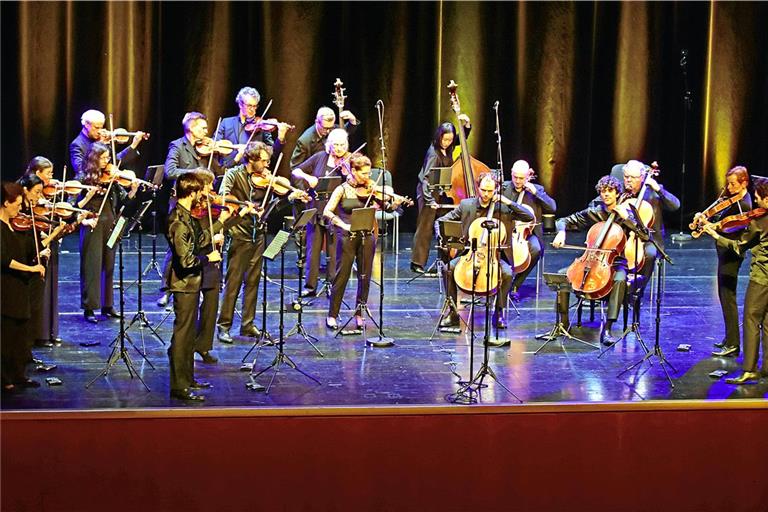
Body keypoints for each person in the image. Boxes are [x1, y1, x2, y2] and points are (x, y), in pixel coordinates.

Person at [216, 142, 305, 343]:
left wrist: (291, 196)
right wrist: (243, 204)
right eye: (263, 161)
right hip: (239, 232)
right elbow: (222, 197)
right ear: (251, 159)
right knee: (233, 283)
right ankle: (224, 326)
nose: (267, 165)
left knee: (253, 281)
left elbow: (275, 203)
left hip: (258, 233)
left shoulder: (267, 179)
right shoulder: (234, 174)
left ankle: (247, 325)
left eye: (267, 161)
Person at [435, 172, 534, 330]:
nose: (486, 194)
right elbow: (441, 221)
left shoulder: (504, 209)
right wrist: (441, 237)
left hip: (495, 256)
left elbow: (529, 217)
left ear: (496, 190)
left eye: (490, 191)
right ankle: (453, 312)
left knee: (507, 273)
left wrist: (508, 202)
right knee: (448, 269)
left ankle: (499, 312)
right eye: (483, 190)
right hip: (471, 254)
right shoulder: (467, 205)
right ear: (478, 188)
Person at [552, 175, 643, 345]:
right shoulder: (595, 212)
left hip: (616, 262)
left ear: (617, 193)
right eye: (603, 191)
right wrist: (561, 232)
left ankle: (607, 328)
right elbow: (563, 220)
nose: (606, 194)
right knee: (561, 276)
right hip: (591, 259)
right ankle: (562, 324)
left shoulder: (626, 212)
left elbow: (644, 234)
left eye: (610, 191)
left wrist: (628, 219)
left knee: (620, 280)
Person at [323, 153, 405, 329]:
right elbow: (327, 212)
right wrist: (342, 224)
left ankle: (360, 313)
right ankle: (332, 314)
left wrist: (395, 203)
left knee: (365, 276)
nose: (368, 177)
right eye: (364, 173)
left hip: (367, 236)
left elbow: (387, 206)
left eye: (369, 173)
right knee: (341, 276)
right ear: (353, 171)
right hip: (346, 237)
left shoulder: (371, 189)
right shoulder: (342, 189)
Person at [166, 173, 228, 401]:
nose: (203, 195)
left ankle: (188, 378)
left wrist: (213, 238)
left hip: (192, 283)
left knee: (189, 333)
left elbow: (198, 239)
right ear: (191, 193)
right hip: (184, 284)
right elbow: (185, 261)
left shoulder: (187, 217)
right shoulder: (178, 222)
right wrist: (208, 258)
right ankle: (178, 385)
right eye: (200, 191)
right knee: (182, 336)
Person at [157, 112, 227, 307]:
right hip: (183, 204)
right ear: (192, 128)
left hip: (203, 205)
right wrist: (195, 174)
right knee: (177, 249)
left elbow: (218, 172)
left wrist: (220, 156)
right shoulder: (178, 146)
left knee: (203, 243)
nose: (207, 132)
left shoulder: (208, 149)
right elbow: (170, 171)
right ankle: (167, 289)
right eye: (203, 128)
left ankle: (202, 285)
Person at [702, 178, 768, 384]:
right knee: (767, 323)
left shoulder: (760, 222)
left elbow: (739, 246)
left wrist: (714, 233)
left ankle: (749, 369)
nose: (756, 204)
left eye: (759, 199)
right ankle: (766, 368)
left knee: (751, 320)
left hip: (762, 278)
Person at [75, 143, 139, 323]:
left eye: (108, 158)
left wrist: (133, 190)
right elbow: (73, 206)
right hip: (92, 224)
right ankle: (89, 307)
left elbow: (125, 200)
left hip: (111, 222)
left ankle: (107, 305)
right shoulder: (83, 178)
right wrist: (88, 199)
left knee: (109, 266)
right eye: (103, 158)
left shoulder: (112, 178)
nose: (107, 162)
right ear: (94, 159)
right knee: (92, 266)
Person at [692, 166, 752, 357]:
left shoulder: (745, 205)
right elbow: (719, 213)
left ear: (744, 183)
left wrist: (710, 227)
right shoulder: (732, 199)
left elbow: (727, 228)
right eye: (728, 183)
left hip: (732, 254)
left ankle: (734, 344)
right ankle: (729, 338)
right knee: (724, 296)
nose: (729, 187)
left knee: (728, 298)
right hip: (725, 252)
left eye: (733, 183)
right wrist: (703, 217)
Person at [291, 128, 352, 297]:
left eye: (342, 145)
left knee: (334, 251)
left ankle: (334, 286)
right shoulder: (319, 157)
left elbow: (356, 181)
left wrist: (348, 174)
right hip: (316, 208)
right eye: (335, 145)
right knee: (313, 250)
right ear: (329, 145)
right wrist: (307, 177)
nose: (339, 148)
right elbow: (296, 170)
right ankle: (310, 286)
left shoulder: (349, 160)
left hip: (335, 211)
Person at [1, 181, 47, 392]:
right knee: (6, 336)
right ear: (4, 203)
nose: (20, 209)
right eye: (17, 205)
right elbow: (5, 260)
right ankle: (4, 378)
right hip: (6, 288)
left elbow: (29, 252)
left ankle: (19, 375)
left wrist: (42, 251)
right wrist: (30, 269)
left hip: (20, 288)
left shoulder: (17, 225)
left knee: (21, 335)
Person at [411, 116, 471, 274]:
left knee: (445, 224)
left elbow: (460, 140)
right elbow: (425, 179)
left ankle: (446, 259)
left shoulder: (449, 146)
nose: (449, 142)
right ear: (439, 137)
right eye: (445, 140)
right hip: (428, 192)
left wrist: (466, 125)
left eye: (450, 139)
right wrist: (430, 200)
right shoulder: (433, 153)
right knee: (425, 227)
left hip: (441, 191)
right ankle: (417, 263)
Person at [616, 159, 680, 297]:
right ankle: (611, 291)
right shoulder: (619, 190)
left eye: (632, 178)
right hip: (623, 237)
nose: (628, 180)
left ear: (642, 177)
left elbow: (675, 206)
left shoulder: (653, 191)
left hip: (649, 240)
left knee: (649, 254)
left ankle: (637, 291)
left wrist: (659, 189)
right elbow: (600, 203)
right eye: (626, 177)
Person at [22, 157, 66, 347]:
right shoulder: (24, 192)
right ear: (37, 173)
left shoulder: (45, 193)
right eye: (48, 173)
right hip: (32, 249)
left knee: (47, 291)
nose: (52, 178)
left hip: (45, 245)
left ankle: (46, 332)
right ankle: (36, 336)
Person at [501, 159, 557, 300]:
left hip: (526, 234)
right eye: (515, 177)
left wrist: (536, 193)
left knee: (536, 249)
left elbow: (552, 208)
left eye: (521, 178)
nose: (518, 181)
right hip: (506, 231)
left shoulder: (536, 190)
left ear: (527, 177)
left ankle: (515, 284)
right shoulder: (504, 188)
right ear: (511, 174)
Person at [215, 86, 291, 167]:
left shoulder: (261, 126)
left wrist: (280, 138)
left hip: (252, 174)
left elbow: (272, 154)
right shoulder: (226, 123)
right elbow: (215, 146)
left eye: (255, 106)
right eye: (249, 106)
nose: (253, 110)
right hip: (228, 170)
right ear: (240, 104)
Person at [70, 109, 147, 175]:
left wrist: (133, 144)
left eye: (101, 127)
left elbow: (115, 161)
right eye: (96, 128)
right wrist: (98, 146)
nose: (100, 131)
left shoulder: (100, 140)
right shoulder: (77, 144)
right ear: (86, 125)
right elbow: (80, 169)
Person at [290, 106, 359, 168]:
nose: (328, 131)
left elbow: (344, 132)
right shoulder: (305, 141)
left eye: (330, 128)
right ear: (317, 122)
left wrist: (352, 120)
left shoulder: (333, 129)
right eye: (325, 128)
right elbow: (295, 167)